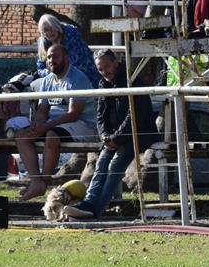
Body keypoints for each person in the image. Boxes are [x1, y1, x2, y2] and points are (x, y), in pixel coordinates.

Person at [61, 50, 159, 220]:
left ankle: (94, 211)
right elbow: (100, 116)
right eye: (100, 69)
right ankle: (89, 203)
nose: (104, 71)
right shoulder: (102, 84)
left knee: (115, 167)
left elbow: (134, 115)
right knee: (101, 164)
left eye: (106, 66)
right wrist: (105, 136)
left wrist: (116, 138)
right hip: (114, 137)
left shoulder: (132, 81)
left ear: (116, 62)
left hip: (137, 135)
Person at [16, 43, 98, 200]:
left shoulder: (77, 78)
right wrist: (37, 125)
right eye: (48, 57)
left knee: (52, 136)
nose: (51, 60)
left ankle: (44, 181)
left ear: (66, 58)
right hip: (53, 125)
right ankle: (36, 182)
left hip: (81, 125)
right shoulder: (47, 80)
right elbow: (42, 111)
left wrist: (45, 127)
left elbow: (73, 114)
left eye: (55, 56)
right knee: (22, 135)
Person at [36, 13, 101, 87]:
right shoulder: (43, 44)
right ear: (42, 33)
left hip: (85, 77)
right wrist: (50, 73)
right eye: (46, 30)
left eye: (52, 28)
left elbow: (76, 64)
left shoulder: (73, 38)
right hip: (58, 80)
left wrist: (55, 72)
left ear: (57, 26)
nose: (50, 32)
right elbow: (40, 67)